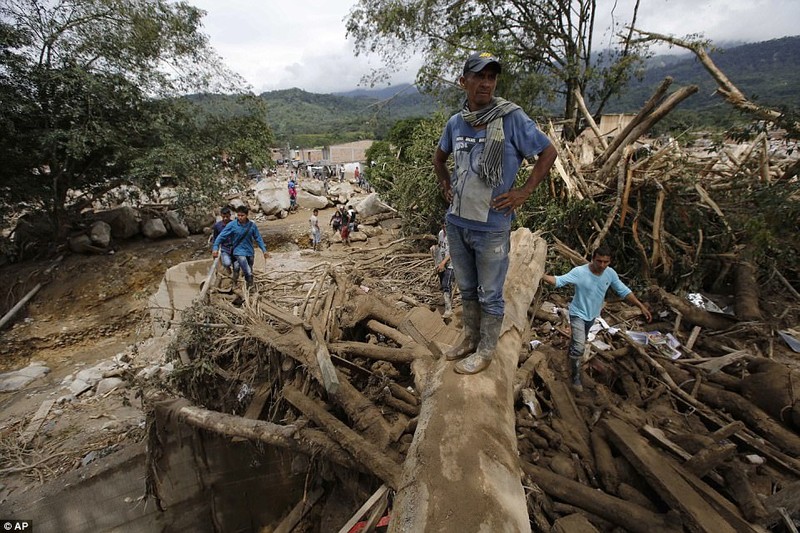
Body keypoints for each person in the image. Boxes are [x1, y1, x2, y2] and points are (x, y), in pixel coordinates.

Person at [434, 51, 558, 375]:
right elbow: (439, 159)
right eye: (479, 76)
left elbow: (548, 151)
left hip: (491, 226)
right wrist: (446, 185)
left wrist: (524, 191)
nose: (486, 83)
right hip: (457, 223)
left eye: (492, 77)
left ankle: (487, 349)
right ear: (464, 82)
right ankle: (469, 338)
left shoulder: (511, 117)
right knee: (466, 287)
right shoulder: (455, 123)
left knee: (490, 294)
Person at [542, 245, 652, 391]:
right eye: (599, 261)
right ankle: (575, 377)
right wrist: (540, 275)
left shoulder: (610, 274)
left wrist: (640, 305)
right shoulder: (580, 272)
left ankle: (571, 356)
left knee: (578, 342)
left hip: (592, 315)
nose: (602, 265)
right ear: (593, 258)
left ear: (610, 261)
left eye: (606, 262)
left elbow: (623, 291)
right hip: (577, 314)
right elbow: (558, 281)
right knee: (580, 345)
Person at [212, 205, 269, 290]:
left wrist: (264, 250)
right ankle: (250, 287)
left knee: (241, 268)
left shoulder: (252, 226)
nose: (240, 217)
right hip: (238, 251)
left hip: (249, 251)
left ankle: (238, 284)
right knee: (247, 271)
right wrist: (215, 248)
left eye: (242, 215)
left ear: (247, 215)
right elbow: (220, 237)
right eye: (238, 215)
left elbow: (258, 238)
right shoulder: (232, 225)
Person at [431, 222, 454, 319]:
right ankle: (445, 299)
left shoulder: (453, 235)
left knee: (446, 284)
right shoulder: (441, 233)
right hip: (441, 262)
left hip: (451, 264)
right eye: (444, 225)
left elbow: (452, 252)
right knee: (442, 283)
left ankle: (448, 309)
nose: (445, 227)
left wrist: (443, 263)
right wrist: (434, 248)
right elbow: (441, 246)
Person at [210, 206, 233, 276]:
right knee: (227, 263)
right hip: (225, 248)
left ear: (230, 215)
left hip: (235, 248)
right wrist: (214, 249)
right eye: (224, 217)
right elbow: (215, 238)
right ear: (221, 216)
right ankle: (228, 269)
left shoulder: (234, 224)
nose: (225, 219)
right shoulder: (217, 226)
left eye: (227, 217)